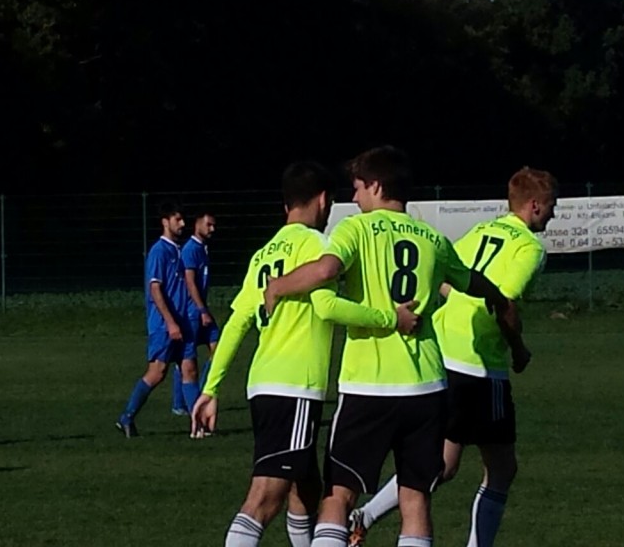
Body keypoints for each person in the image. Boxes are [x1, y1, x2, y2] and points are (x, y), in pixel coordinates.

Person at [263, 146, 522, 547]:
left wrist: (278, 286)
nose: (354, 198)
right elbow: (473, 281)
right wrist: (499, 300)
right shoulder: (433, 238)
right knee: (415, 500)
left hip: (368, 385)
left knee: (338, 496)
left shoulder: (355, 229)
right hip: (425, 387)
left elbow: (327, 269)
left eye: (358, 187)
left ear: (377, 186)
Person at [191, 160, 421, 547]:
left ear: (286, 205)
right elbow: (328, 307)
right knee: (264, 498)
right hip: (295, 385)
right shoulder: (318, 246)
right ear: (324, 200)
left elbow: (236, 324)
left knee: (307, 488)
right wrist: (389, 318)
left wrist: (211, 388)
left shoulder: (263, 255)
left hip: (262, 384)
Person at [347, 167, 557, 547]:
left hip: (443, 352)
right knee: (500, 468)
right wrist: (518, 348)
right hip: (480, 365)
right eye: (552, 206)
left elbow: (444, 277)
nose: (554, 215)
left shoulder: (481, 231)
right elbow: (504, 302)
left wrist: (452, 309)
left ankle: (365, 514)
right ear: (536, 206)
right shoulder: (529, 247)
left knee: (442, 463)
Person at [115, 201, 199, 437]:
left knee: (189, 369)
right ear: (165, 222)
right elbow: (155, 289)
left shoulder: (179, 251)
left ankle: (198, 425)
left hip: (183, 322)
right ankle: (126, 417)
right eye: (177, 219)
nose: (182, 224)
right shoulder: (159, 252)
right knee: (157, 372)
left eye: (183, 219)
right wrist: (170, 322)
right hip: (164, 325)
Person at [171, 211, 220, 416]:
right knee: (187, 357)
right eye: (208, 225)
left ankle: (194, 395)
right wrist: (202, 310)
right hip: (192, 312)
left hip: (200, 310)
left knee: (218, 349)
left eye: (213, 225)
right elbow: (190, 282)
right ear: (197, 224)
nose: (212, 229)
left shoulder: (202, 248)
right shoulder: (191, 249)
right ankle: (183, 402)